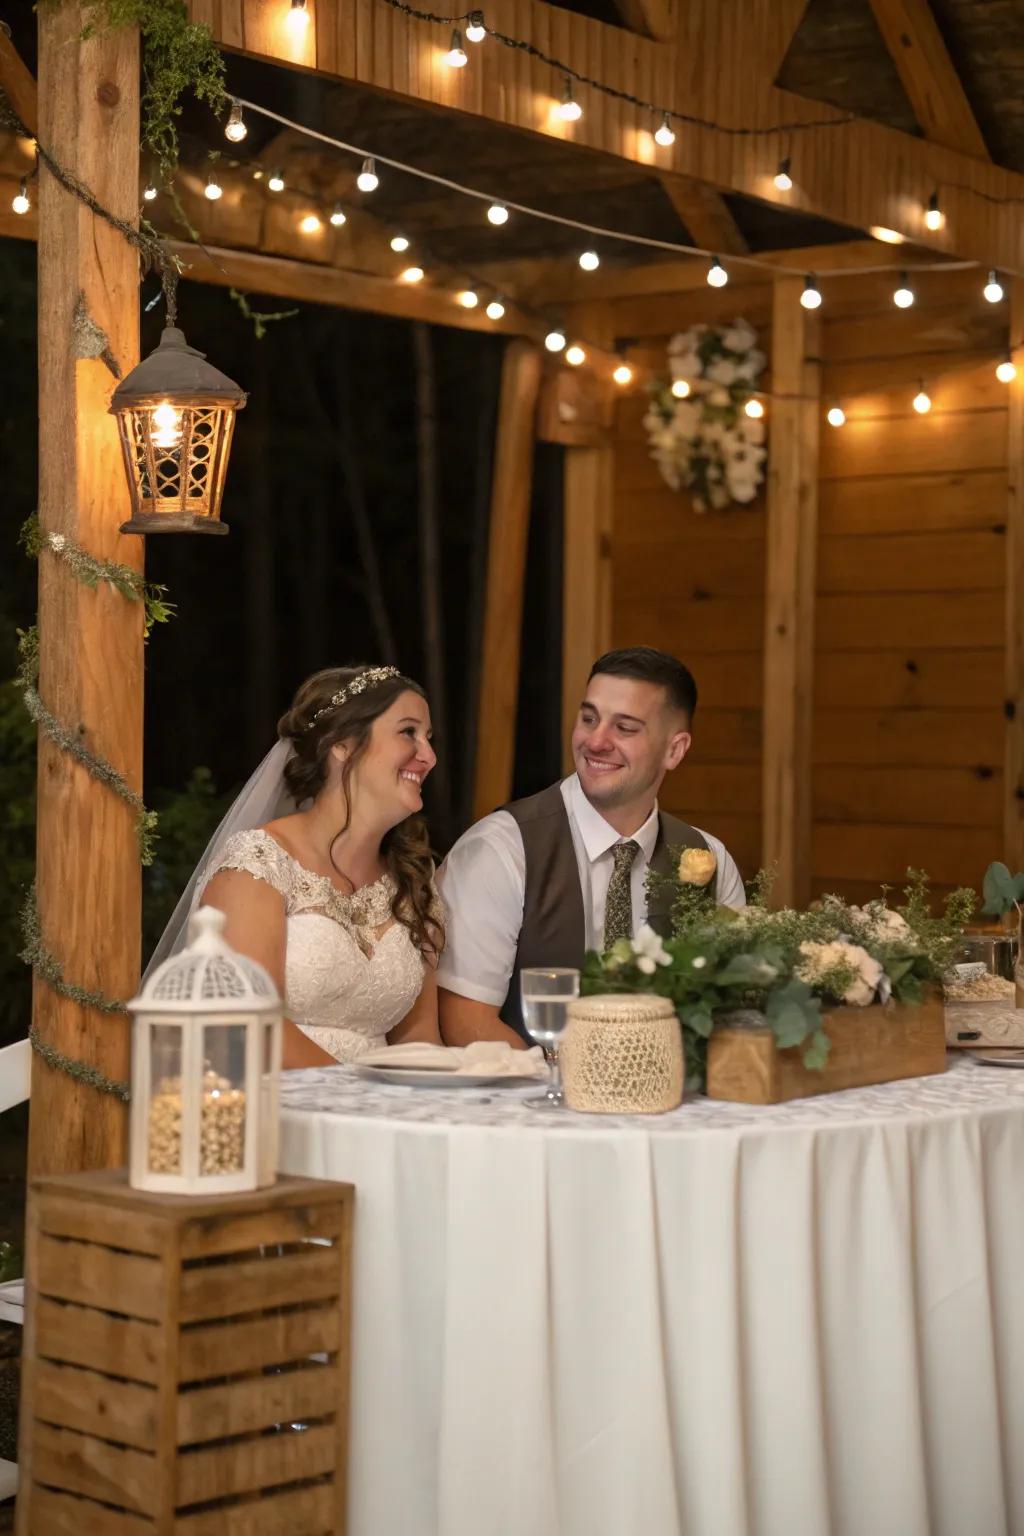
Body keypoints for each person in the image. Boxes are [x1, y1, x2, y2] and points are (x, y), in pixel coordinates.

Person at [438, 646, 745, 1047]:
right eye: (589, 718)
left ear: (675, 750)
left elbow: (736, 1013)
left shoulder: (710, 859)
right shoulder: (501, 850)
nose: (596, 741)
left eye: (625, 728)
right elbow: (465, 1025)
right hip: (534, 1100)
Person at [149, 664, 444, 1067]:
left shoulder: (413, 879)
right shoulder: (258, 865)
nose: (428, 756)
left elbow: (420, 1038)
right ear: (343, 744)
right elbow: (250, 1025)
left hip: (384, 1117)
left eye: (428, 738)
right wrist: (364, 1105)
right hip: (277, 1109)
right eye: (408, 732)